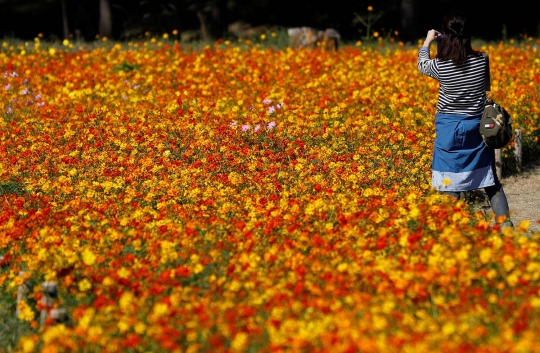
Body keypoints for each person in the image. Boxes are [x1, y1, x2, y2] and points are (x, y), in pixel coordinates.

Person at [417, 12, 513, 229]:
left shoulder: (440, 66)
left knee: (449, 181)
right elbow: (484, 86)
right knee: (490, 180)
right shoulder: (482, 59)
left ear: (446, 37)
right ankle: (505, 226)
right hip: (476, 127)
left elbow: (422, 64)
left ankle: (452, 230)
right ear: (468, 35)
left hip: (449, 128)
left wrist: (429, 40)